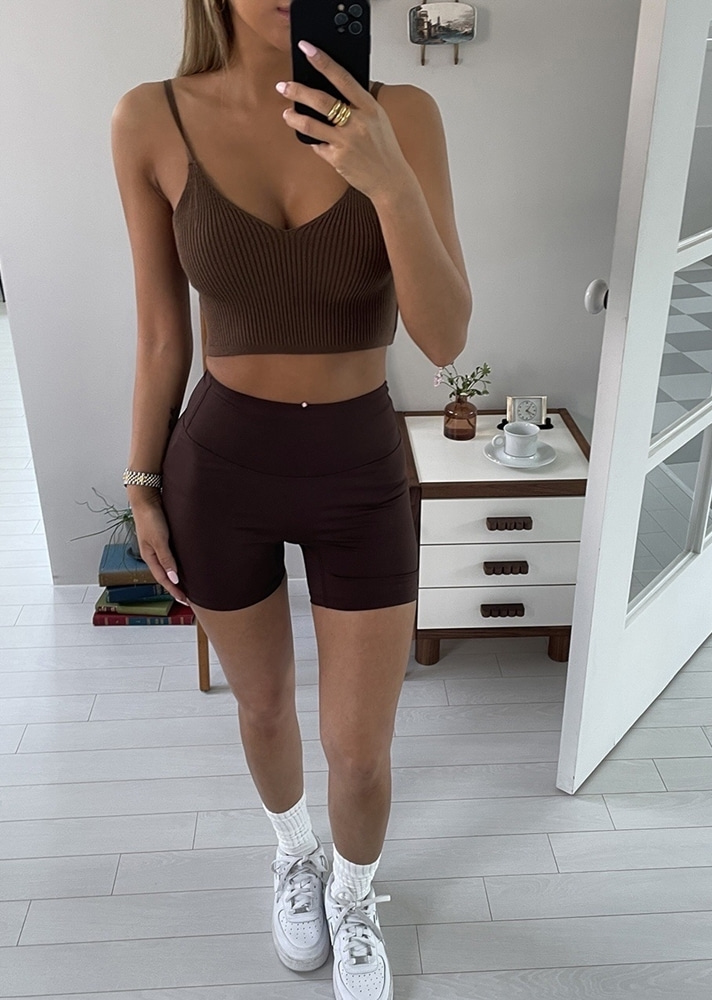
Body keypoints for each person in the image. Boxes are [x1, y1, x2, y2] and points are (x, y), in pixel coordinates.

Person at [110, 1, 471, 997]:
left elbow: (445, 336)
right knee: (264, 705)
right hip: (220, 466)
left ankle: (353, 894)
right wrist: (141, 481)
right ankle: (293, 855)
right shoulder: (150, 118)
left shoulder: (404, 114)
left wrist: (387, 178)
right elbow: (160, 334)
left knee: (361, 748)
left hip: (360, 469)